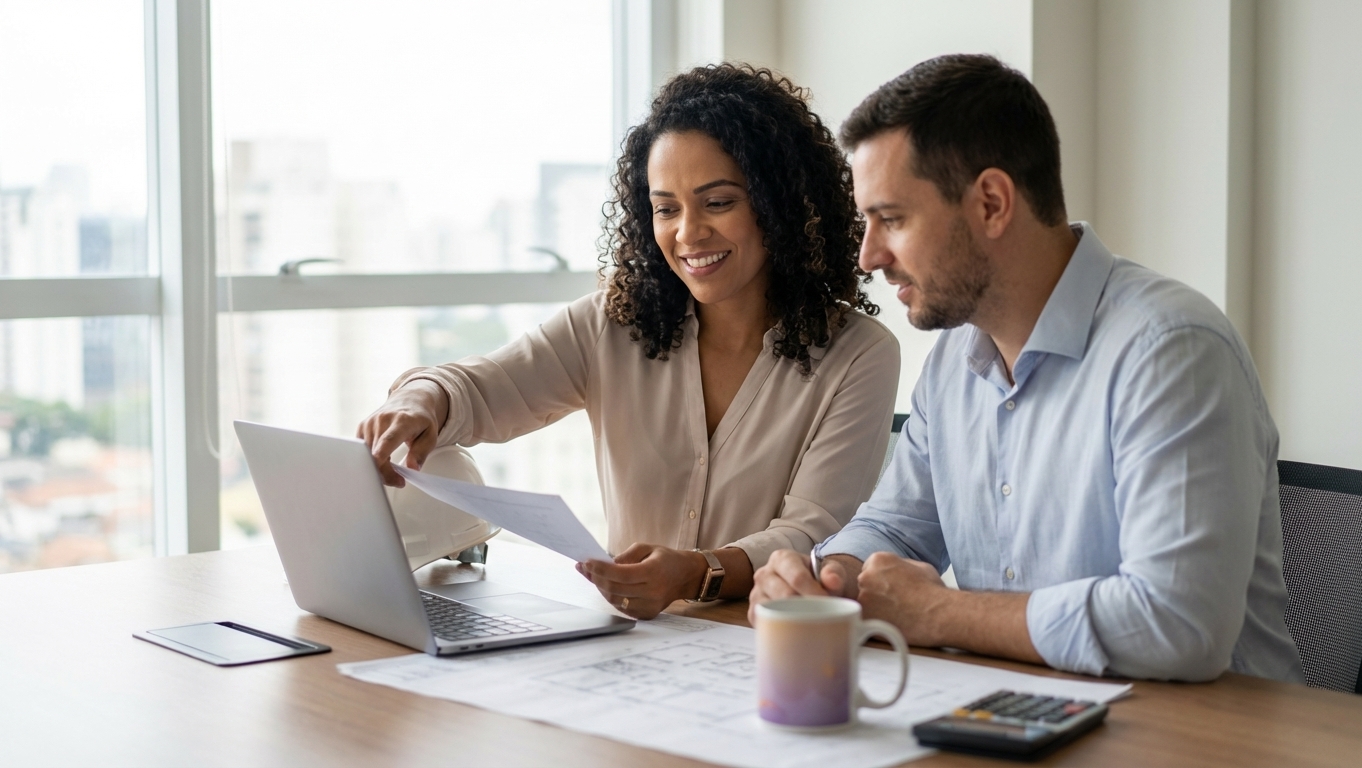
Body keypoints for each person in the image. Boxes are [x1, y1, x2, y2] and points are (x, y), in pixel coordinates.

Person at [749, 54, 1305, 683]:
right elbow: (896, 527)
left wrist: (939, 613)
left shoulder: (1172, 351)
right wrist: (830, 577)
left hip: (1202, 726)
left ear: (992, 203)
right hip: (1018, 709)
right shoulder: (953, 360)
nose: (869, 256)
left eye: (892, 220)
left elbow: (1177, 626)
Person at [360, 64, 899, 620]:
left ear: (781, 203)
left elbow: (815, 533)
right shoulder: (611, 325)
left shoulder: (859, 354)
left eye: (718, 202)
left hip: (773, 642)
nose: (688, 232)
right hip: (635, 644)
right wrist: (422, 397)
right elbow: (484, 389)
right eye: (666, 208)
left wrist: (696, 573)